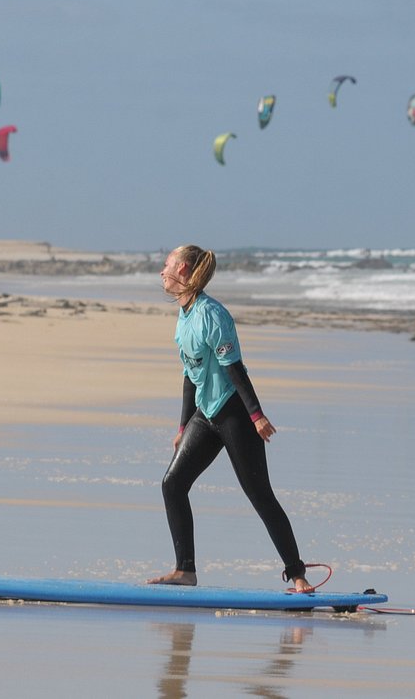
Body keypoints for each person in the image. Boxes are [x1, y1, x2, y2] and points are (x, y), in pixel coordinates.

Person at [148, 245, 313, 593]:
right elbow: (190, 375)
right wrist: (182, 427)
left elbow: (233, 368)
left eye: (168, 265)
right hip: (205, 414)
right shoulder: (184, 315)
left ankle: (297, 575)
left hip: (234, 412)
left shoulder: (212, 315)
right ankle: (185, 570)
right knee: (172, 484)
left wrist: (256, 415)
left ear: (185, 272)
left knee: (259, 495)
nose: (162, 271)